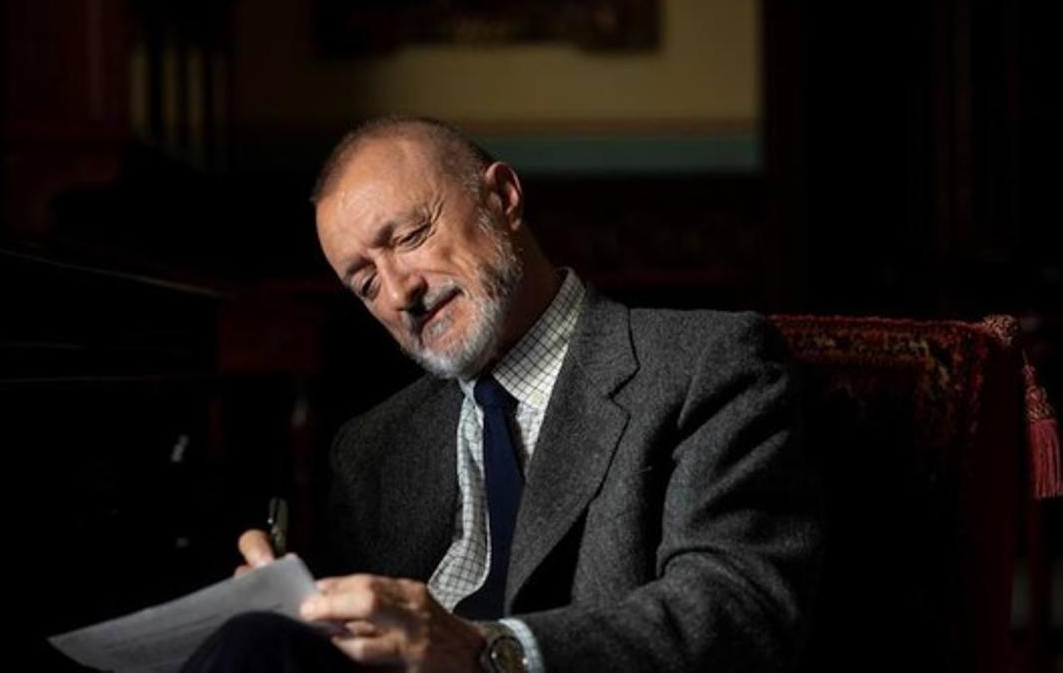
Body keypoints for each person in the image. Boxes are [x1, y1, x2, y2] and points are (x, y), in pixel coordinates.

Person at [183, 117, 822, 672]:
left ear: (504, 198)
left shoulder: (703, 362)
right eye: (366, 283)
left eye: (409, 237)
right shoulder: (370, 447)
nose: (400, 292)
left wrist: (490, 652)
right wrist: (303, 603)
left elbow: (742, 607)